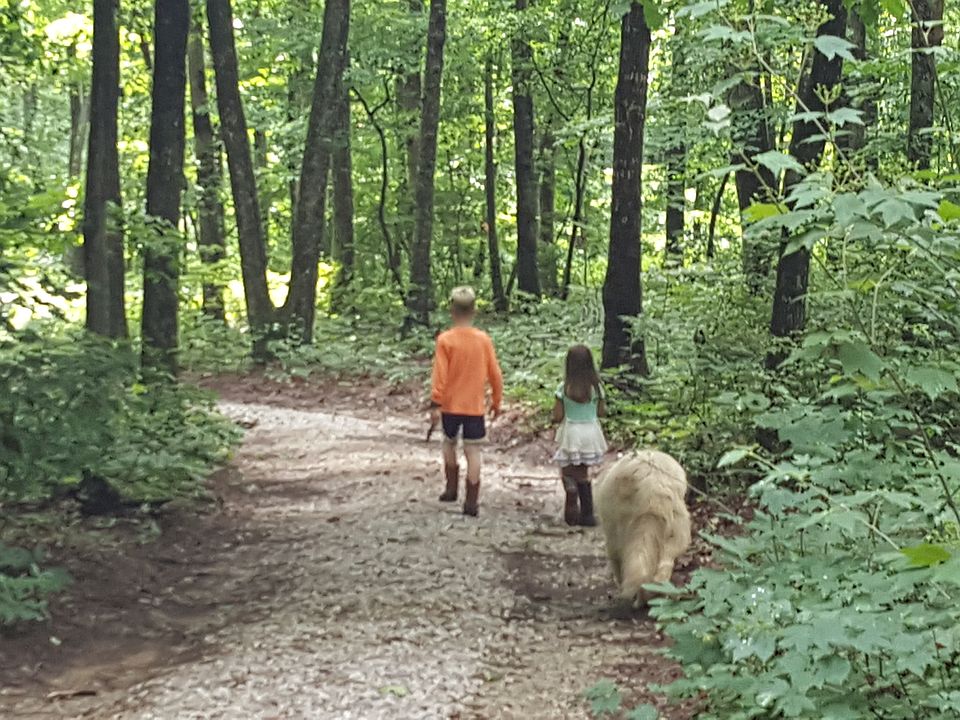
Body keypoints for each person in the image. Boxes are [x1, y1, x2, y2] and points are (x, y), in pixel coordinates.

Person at [430, 286, 503, 517]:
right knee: (473, 450)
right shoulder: (483, 340)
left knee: (448, 443)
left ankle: (451, 489)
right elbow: (495, 373)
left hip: (450, 405)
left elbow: (439, 375)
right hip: (474, 406)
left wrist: (436, 402)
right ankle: (471, 502)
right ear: (474, 310)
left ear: (452, 310)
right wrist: (497, 400)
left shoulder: (445, 340)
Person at [551, 345, 608, 526]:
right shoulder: (597, 389)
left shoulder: (563, 388)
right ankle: (587, 514)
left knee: (567, 469)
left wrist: (554, 419)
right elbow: (601, 412)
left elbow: (558, 415)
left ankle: (571, 493)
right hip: (590, 432)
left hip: (572, 432)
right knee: (583, 472)